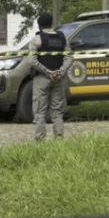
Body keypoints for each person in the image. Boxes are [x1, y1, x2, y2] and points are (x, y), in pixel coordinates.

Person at [28, 13, 74, 142]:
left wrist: (48, 72)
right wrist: (60, 71)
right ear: (52, 23)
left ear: (39, 25)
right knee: (57, 112)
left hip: (42, 80)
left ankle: (39, 142)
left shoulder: (36, 40)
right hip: (58, 79)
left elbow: (31, 61)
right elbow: (69, 57)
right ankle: (59, 140)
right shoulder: (62, 38)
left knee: (39, 112)